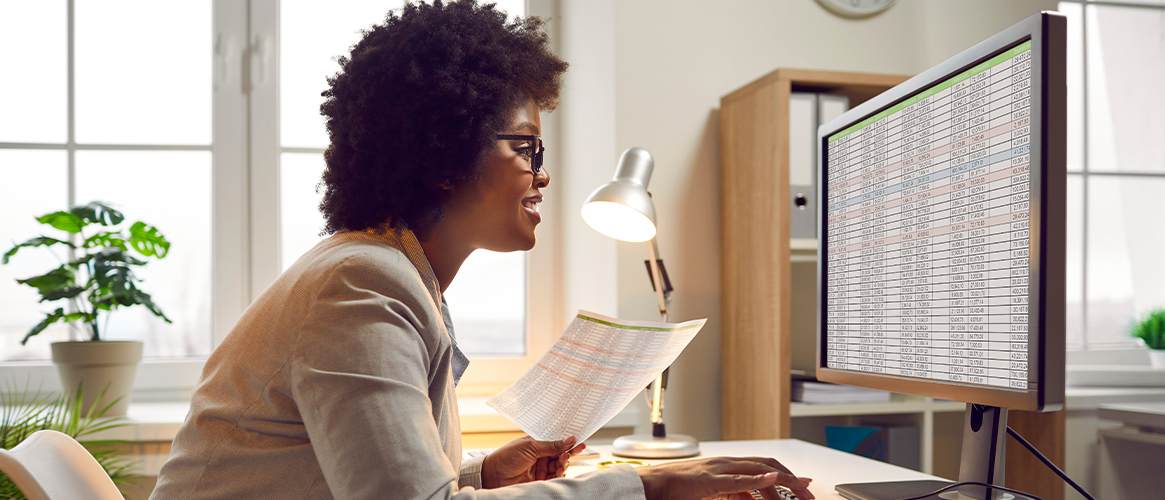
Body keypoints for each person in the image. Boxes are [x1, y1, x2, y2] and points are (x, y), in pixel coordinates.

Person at [150, 2, 814, 499]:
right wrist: (649, 486)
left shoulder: (386, 271)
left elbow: (382, 478)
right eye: (526, 148)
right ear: (445, 155)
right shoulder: (359, 285)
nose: (542, 175)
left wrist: (486, 473)